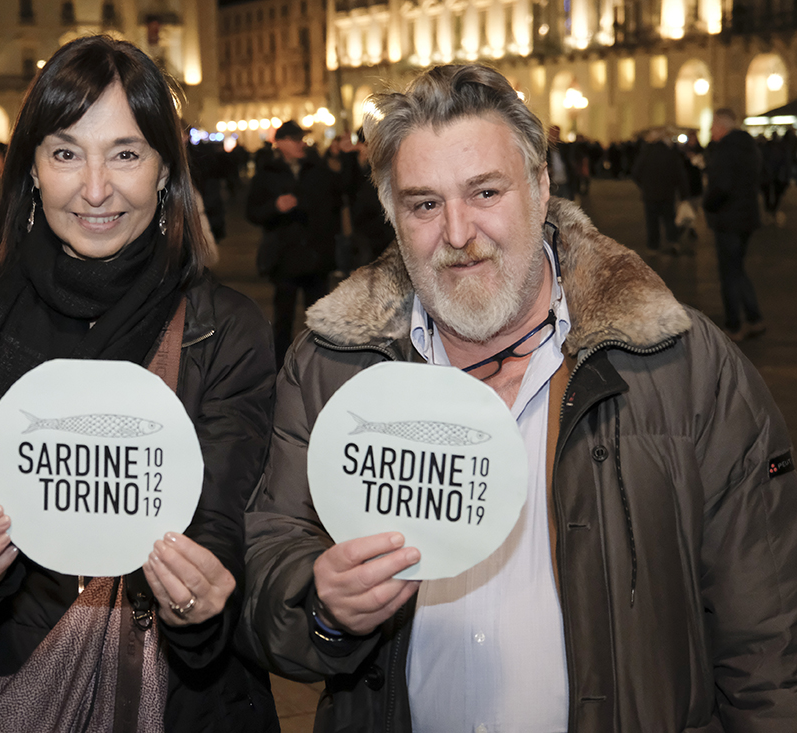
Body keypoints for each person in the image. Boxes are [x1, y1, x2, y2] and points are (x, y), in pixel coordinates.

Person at [241, 64, 797, 732]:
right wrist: (321, 605)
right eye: (424, 204)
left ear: (539, 186)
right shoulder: (334, 369)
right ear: (392, 216)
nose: (457, 231)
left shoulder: (684, 366)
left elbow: (767, 643)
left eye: (484, 191)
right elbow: (266, 563)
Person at [0, 36, 280, 732]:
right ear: (30, 168)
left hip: (166, 689)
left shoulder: (225, 329)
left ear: (164, 171)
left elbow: (224, 527)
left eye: (125, 152)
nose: (96, 189)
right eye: (66, 153)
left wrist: (205, 597)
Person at [247, 120, 342, 366]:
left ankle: (321, 364)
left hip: (315, 255)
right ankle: (282, 366)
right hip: (284, 255)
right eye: (294, 139)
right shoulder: (267, 172)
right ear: (280, 143)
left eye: (301, 138)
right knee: (283, 317)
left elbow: (337, 199)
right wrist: (275, 207)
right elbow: (253, 211)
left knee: (320, 316)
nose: (301, 143)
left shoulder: (318, 168)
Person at [704, 108, 766, 341]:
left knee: (729, 273)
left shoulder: (725, 150)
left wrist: (708, 203)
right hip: (747, 216)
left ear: (722, 126)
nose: (710, 130)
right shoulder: (749, 147)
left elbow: (721, 186)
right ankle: (754, 318)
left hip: (729, 218)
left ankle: (734, 324)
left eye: (713, 125)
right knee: (738, 269)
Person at [631, 128, 689, 254]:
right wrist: (683, 193)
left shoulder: (646, 153)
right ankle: (673, 241)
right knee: (669, 218)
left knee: (652, 221)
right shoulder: (670, 153)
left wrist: (644, 185)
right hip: (668, 192)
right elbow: (679, 174)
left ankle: (653, 245)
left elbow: (636, 172)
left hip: (650, 193)